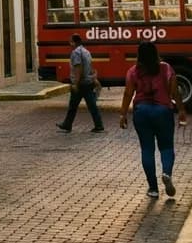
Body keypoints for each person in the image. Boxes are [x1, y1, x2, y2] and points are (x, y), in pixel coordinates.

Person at [119, 42, 185, 198]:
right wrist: (181, 109)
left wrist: (123, 114)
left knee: (147, 149)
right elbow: (174, 91)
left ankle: (153, 188)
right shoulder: (166, 68)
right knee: (166, 147)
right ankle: (167, 173)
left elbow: (128, 93)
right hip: (163, 110)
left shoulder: (133, 71)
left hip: (141, 112)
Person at [56, 33, 104, 133]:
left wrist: (75, 83)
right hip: (88, 82)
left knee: (73, 106)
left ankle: (67, 124)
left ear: (74, 42)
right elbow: (90, 66)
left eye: (71, 41)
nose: (70, 43)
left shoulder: (76, 53)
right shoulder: (86, 51)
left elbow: (78, 67)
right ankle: (99, 125)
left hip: (81, 83)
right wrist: (94, 79)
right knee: (92, 105)